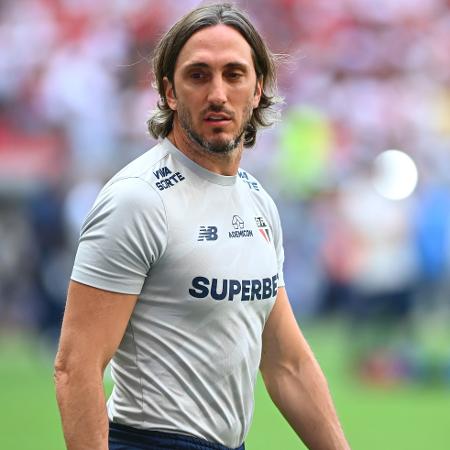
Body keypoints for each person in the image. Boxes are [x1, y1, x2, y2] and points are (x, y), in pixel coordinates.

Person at [54, 3, 350, 450]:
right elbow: (76, 367)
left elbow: (286, 363)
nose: (217, 93)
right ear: (169, 92)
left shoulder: (257, 202)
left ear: (258, 89)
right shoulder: (138, 200)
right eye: (198, 75)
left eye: (234, 74)